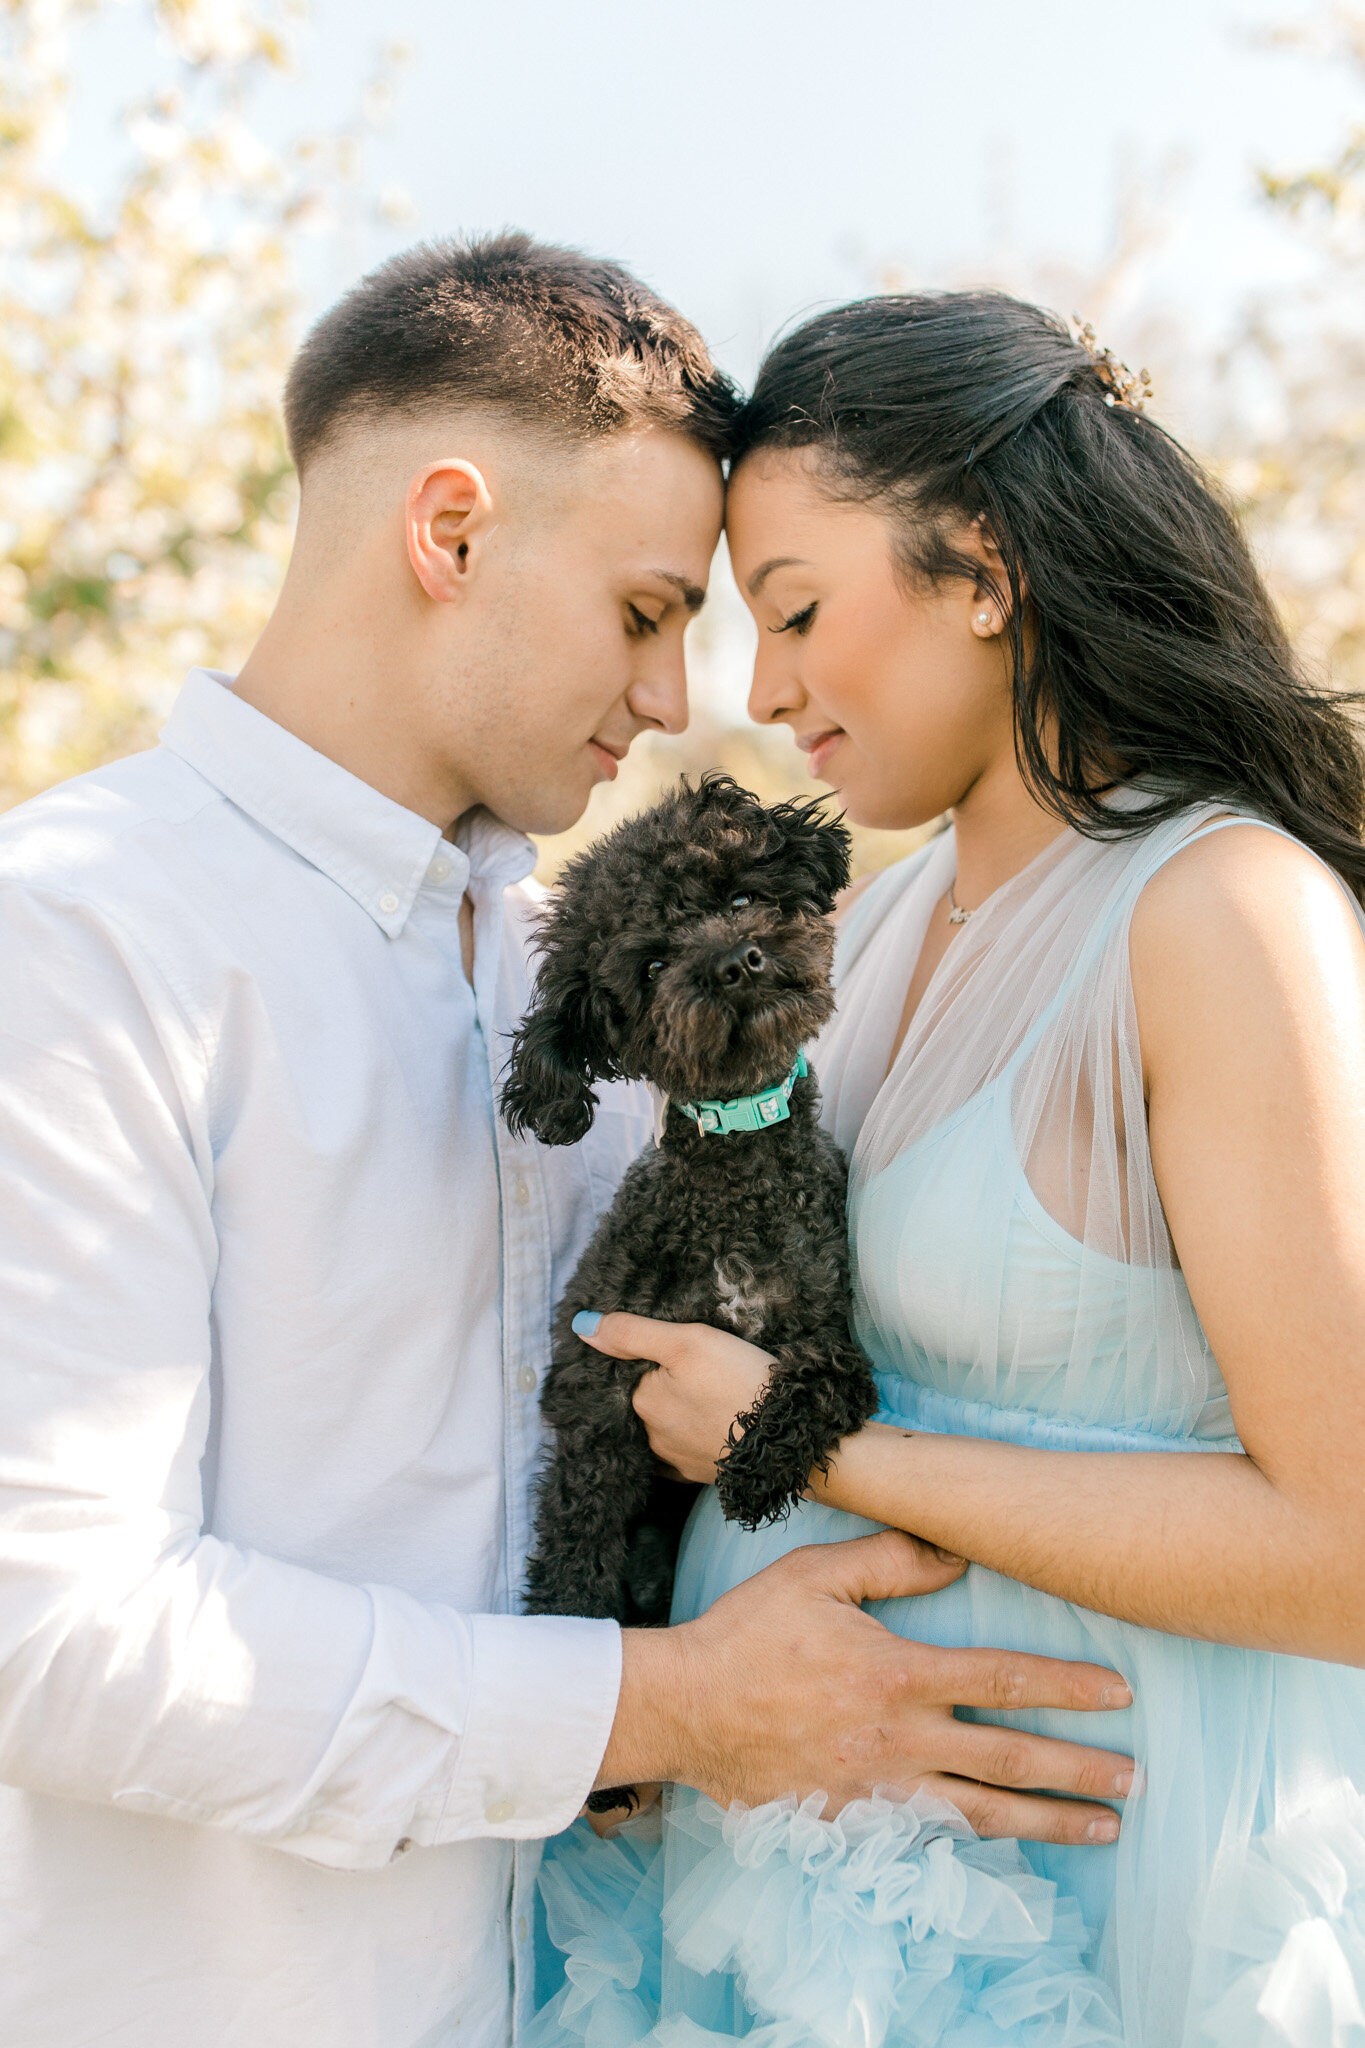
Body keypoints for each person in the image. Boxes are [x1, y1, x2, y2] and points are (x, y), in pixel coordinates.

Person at [0, 243, 1135, 2048]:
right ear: (447, 532)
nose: (683, 696)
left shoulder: (614, 974)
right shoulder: (73, 937)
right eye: (643, 610)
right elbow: (53, 1637)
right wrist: (671, 1705)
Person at [545, 291, 1365, 2047]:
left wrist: (807, 1440)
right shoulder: (877, 918)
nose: (757, 690)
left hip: (1077, 1883)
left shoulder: (1218, 914)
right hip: (793, 1890)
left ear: (980, 569)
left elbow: (1350, 1545)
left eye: (795, 611)